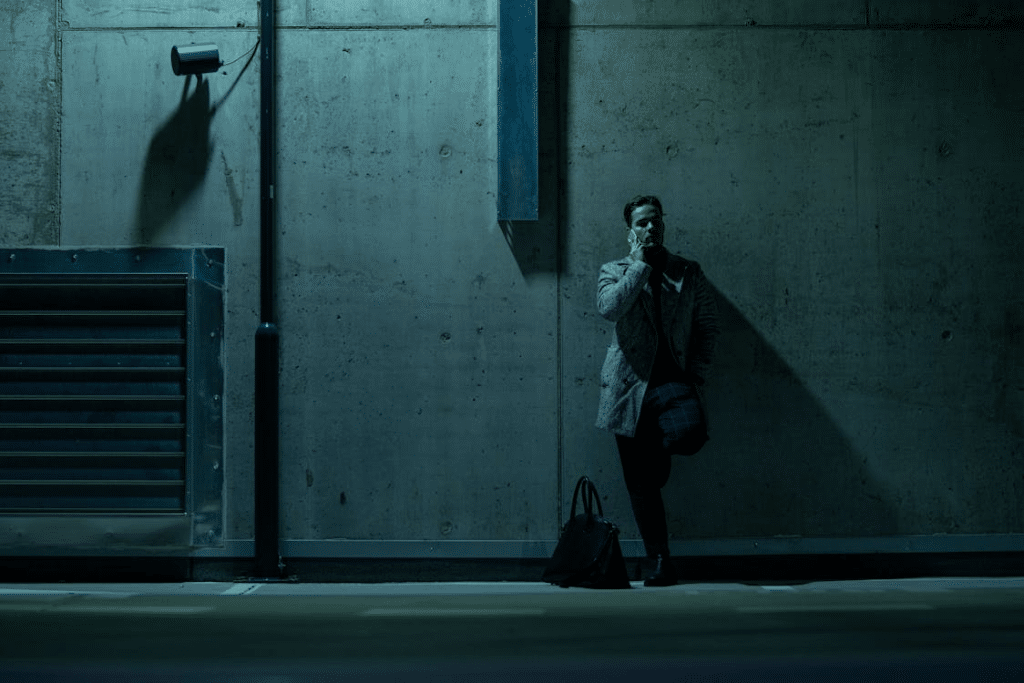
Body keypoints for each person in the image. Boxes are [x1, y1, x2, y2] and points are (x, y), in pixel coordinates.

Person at [595, 195, 719, 586]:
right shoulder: (614, 269)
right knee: (640, 484)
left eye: (656, 221)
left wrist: (695, 375)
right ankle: (660, 560)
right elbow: (609, 309)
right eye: (643, 223)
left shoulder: (687, 271)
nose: (651, 228)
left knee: (691, 433)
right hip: (627, 389)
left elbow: (707, 327)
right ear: (630, 230)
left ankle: (658, 458)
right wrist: (638, 267)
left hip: (672, 383)